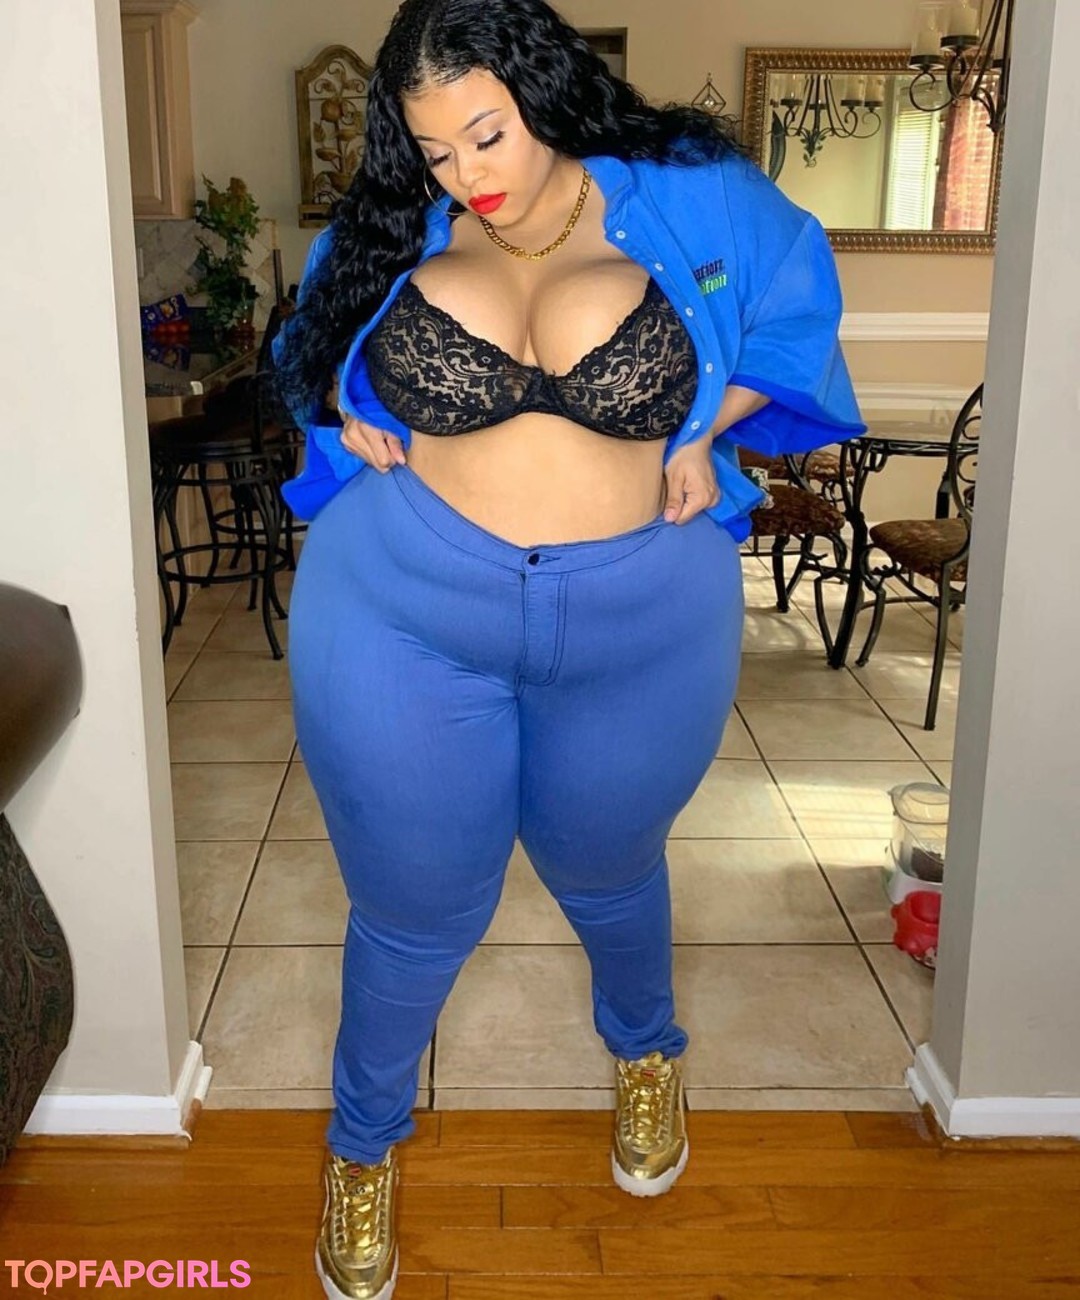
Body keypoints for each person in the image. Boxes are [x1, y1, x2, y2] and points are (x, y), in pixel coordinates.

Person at [275, 1, 864, 1295]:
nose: (467, 174)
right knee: (415, 907)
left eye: (487, 133)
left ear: (542, 87)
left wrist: (708, 429)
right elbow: (307, 346)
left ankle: (647, 1053)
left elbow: (794, 307)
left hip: (643, 617)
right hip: (399, 606)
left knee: (607, 868)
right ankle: (361, 1148)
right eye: (436, 151)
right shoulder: (394, 224)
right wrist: (340, 409)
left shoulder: (689, 189)